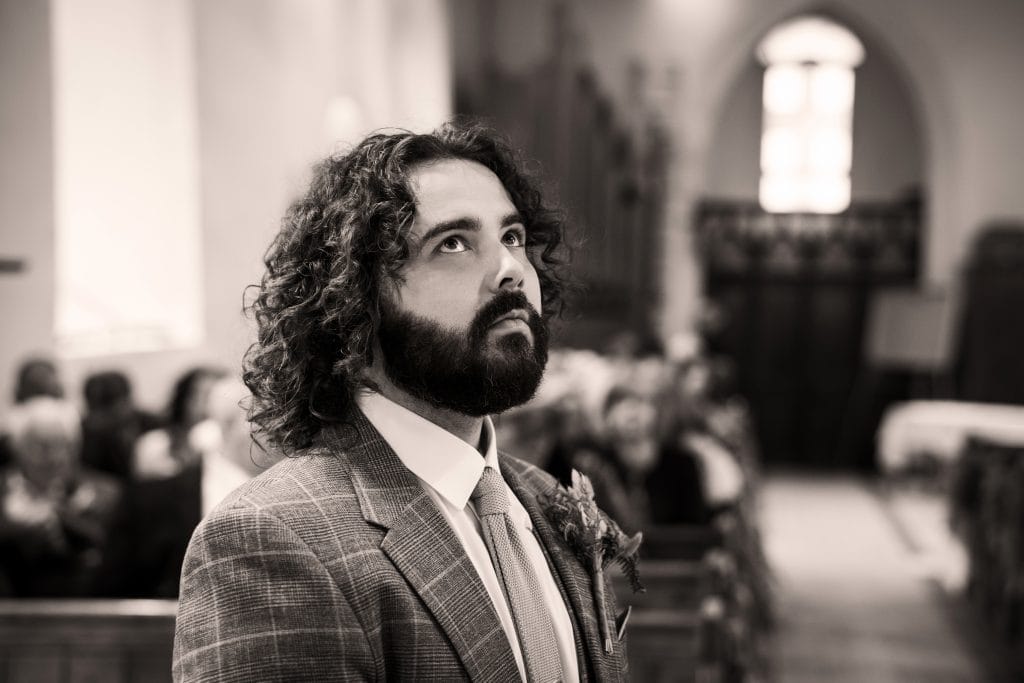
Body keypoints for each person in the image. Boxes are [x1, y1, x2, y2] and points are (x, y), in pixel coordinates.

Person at [173, 123, 631, 682]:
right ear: (353, 303)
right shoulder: (273, 537)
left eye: (511, 237)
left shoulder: (543, 501)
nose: (511, 269)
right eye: (454, 244)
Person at [0, 397, 121, 596]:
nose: (54, 457)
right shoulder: (3, 491)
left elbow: (116, 551)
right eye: (42, 446)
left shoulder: (106, 492)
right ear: (18, 448)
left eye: (63, 445)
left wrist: (61, 516)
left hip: (87, 608)